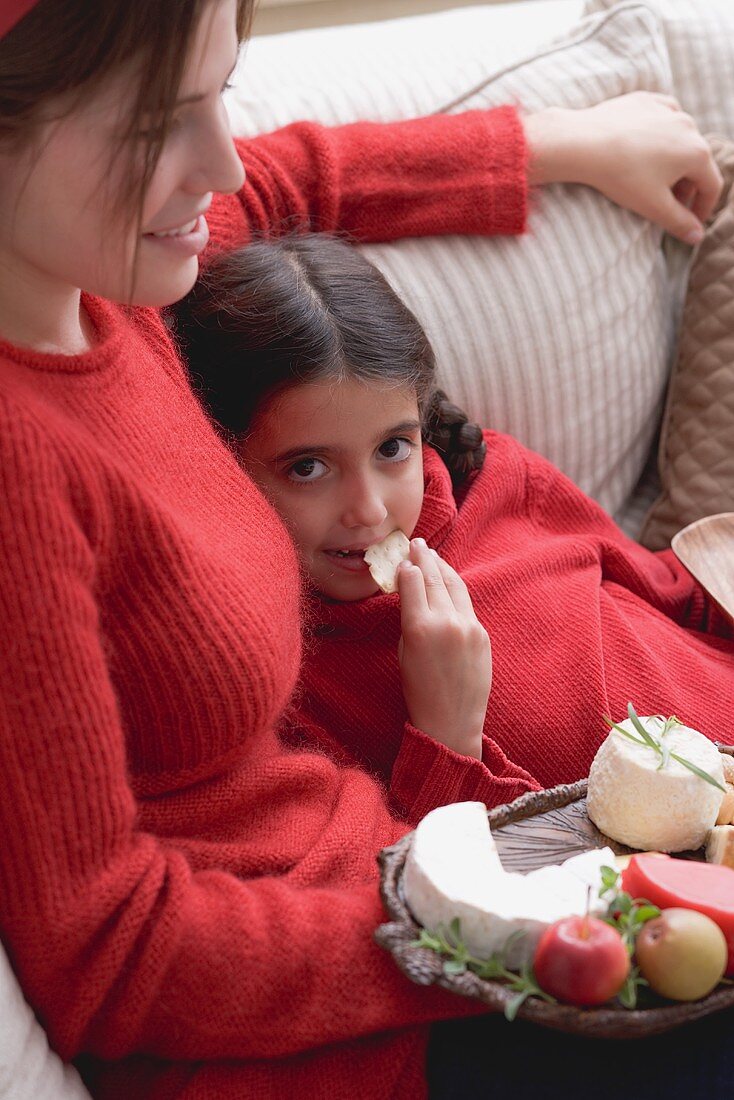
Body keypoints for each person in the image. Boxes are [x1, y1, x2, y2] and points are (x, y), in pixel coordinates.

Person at [0, 0, 727, 1096]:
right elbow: (110, 951)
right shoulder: (21, 462)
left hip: (403, 890)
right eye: (161, 120)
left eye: (218, 95)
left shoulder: (106, 280)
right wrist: (491, 940)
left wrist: (562, 145)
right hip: (325, 1032)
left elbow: (292, 182)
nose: (216, 159)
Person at [178, 233, 734, 823]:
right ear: (222, 464)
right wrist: (448, 734)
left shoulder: (500, 482)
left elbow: (675, 593)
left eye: (392, 447)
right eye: (308, 467)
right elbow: (425, 870)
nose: (368, 510)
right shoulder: (280, 678)